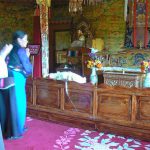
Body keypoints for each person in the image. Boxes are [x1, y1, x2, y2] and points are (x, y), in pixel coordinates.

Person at [7, 30, 32, 139]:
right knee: (20, 102)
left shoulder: (10, 47)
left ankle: (15, 127)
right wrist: (27, 56)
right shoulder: (21, 50)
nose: (27, 41)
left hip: (9, 76)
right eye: (25, 39)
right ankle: (18, 130)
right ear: (19, 39)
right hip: (18, 77)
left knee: (12, 101)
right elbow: (28, 68)